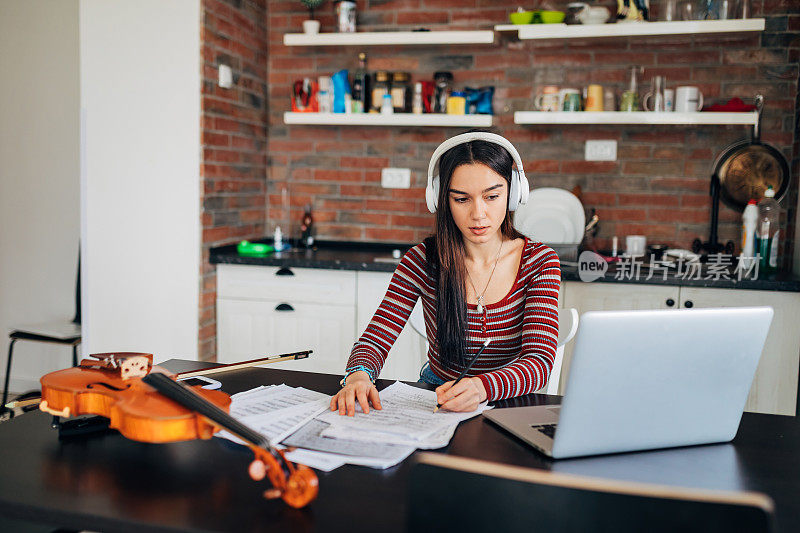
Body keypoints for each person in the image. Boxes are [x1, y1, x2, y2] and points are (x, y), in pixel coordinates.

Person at [330, 131, 561, 416]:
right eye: (462, 199)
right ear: (441, 201)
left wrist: (481, 388)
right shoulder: (422, 260)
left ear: (513, 195)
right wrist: (358, 376)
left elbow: (539, 361)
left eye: (492, 196)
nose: (479, 214)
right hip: (438, 399)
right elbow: (375, 339)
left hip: (511, 403)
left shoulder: (539, 262)